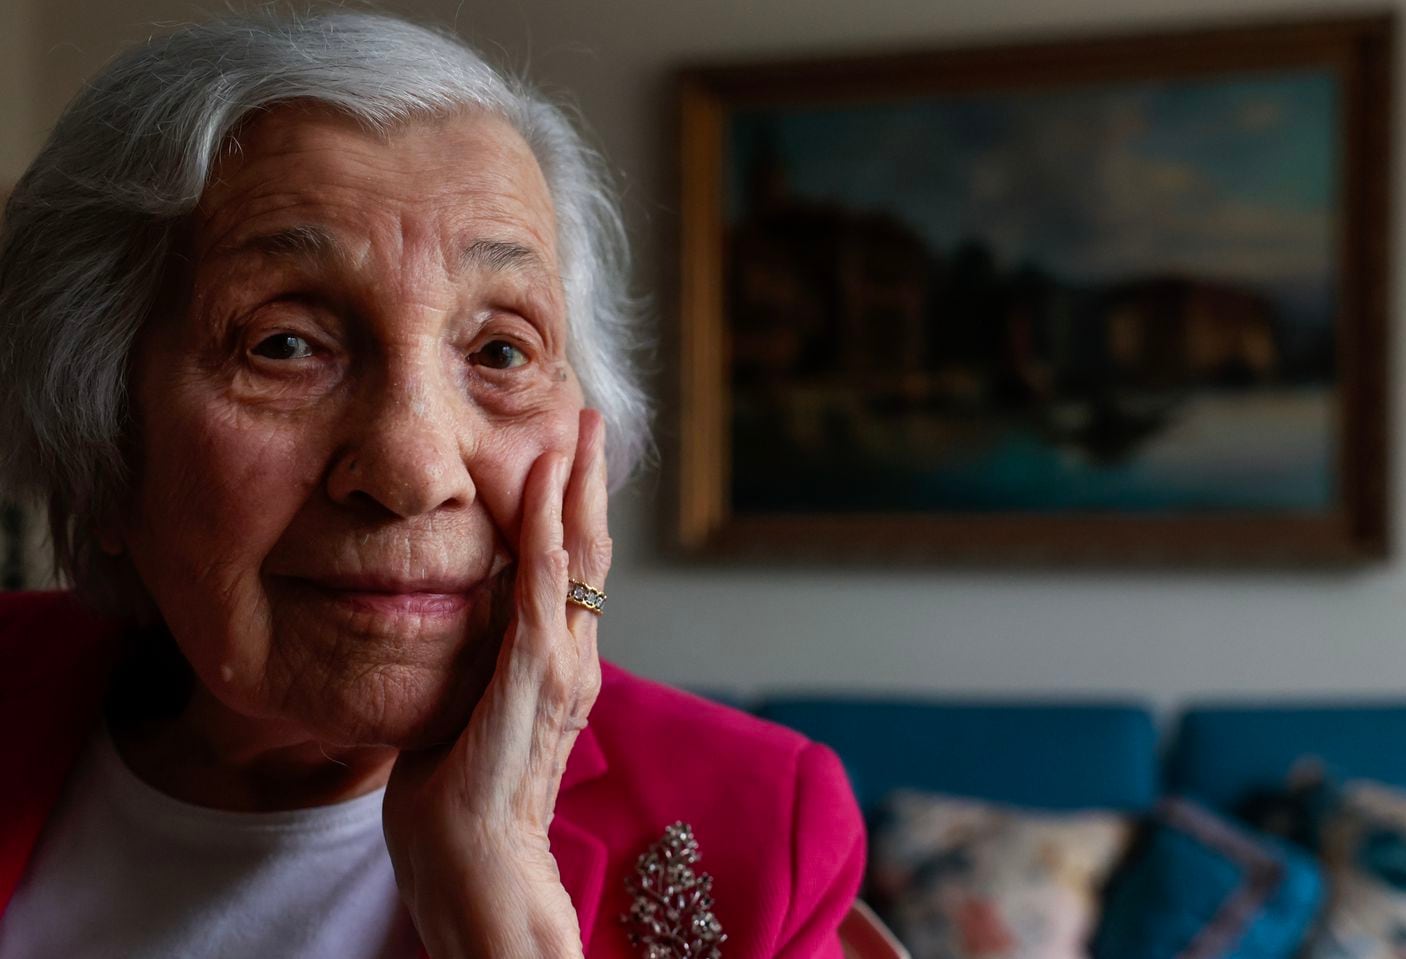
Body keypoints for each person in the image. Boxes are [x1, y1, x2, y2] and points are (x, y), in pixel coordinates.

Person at [0, 11, 863, 958]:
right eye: (285, 344)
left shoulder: (762, 827)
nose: (416, 471)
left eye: (502, 350)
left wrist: (498, 906)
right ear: (103, 436)